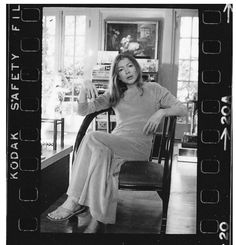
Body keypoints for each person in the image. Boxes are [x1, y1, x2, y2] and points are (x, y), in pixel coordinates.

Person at [47, 52, 187, 233]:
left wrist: (161, 112)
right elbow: (84, 110)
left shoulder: (154, 89)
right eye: (121, 69)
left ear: (136, 66)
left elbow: (182, 108)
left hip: (137, 147)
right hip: (115, 143)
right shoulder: (115, 93)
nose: (127, 71)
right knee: (99, 155)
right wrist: (83, 88)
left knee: (92, 136)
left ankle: (74, 200)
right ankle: (96, 221)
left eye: (129, 66)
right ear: (117, 75)